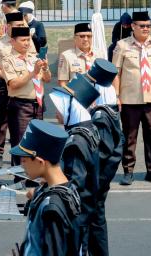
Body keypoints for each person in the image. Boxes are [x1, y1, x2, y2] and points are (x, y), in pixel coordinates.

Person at [112, 11, 151, 185]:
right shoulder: (122, 45)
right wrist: (116, 96)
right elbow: (116, 73)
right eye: (142, 26)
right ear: (133, 26)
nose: (146, 29)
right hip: (130, 99)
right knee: (129, 136)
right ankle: (128, 171)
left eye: (148, 26)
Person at [11, 120, 81, 256]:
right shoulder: (67, 189)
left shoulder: (52, 209)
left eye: (24, 160)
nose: (22, 165)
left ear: (40, 162)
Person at [48, 74, 101, 253]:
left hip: (78, 216)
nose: (56, 113)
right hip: (87, 209)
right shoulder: (88, 128)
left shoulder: (76, 140)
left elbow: (73, 186)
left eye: (60, 108)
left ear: (72, 108)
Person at [85, 59, 123, 256]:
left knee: (91, 217)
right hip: (98, 172)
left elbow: (102, 151)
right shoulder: (104, 110)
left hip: (96, 174)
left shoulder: (101, 115)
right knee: (95, 217)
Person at [0, 11, 32, 168]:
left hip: (23, 85)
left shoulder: (26, 41)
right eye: (17, 25)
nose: (20, 27)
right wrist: (7, 77)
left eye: (21, 24)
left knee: (20, 125)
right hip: (5, 86)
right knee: (1, 120)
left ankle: (22, 157)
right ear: (8, 26)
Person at [2, 25, 50, 166]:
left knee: (36, 142)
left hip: (38, 104)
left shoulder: (33, 58)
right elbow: (13, 84)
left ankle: (33, 175)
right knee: (20, 143)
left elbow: (47, 79)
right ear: (12, 41)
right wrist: (32, 73)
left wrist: (45, 68)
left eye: (28, 40)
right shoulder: (8, 60)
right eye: (23, 40)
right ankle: (20, 176)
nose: (27, 43)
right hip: (20, 105)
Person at [57, 22, 96, 87]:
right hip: (75, 95)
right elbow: (62, 83)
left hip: (97, 95)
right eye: (82, 36)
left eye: (89, 36)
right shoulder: (66, 56)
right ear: (74, 38)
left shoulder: (99, 55)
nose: (86, 39)